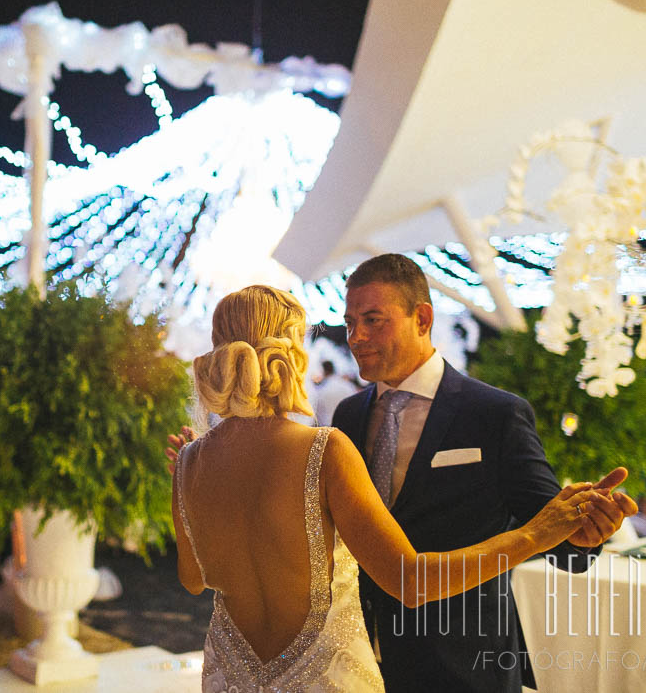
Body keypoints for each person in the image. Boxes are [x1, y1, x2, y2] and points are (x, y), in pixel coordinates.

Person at [171, 285, 622, 693]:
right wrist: (536, 533)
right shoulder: (323, 450)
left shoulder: (190, 462)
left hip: (230, 677)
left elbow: (193, 579)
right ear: (292, 351)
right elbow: (409, 581)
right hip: (325, 680)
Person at [332, 254, 636, 691]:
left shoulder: (494, 414)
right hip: (363, 654)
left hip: (465, 663)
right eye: (350, 322)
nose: (356, 337)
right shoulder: (348, 415)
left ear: (422, 318)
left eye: (373, 320)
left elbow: (551, 530)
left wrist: (585, 532)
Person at [312, 359, 354, 427]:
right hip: (347, 425)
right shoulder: (348, 386)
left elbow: (317, 414)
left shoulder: (322, 390)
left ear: (324, 371)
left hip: (327, 428)